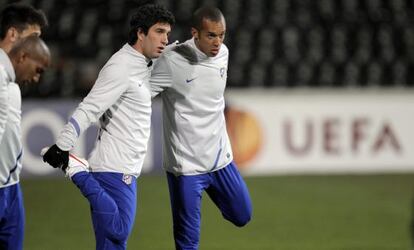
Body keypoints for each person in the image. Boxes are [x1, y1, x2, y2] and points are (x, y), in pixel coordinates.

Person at [41, 4, 175, 250]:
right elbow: (90, 107)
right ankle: (77, 171)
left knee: (112, 243)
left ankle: (77, 170)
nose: (165, 39)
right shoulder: (120, 67)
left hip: (125, 169)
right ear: (140, 33)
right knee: (119, 230)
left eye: (168, 33)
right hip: (112, 168)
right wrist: (63, 145)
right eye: (159, 32)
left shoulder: (144, 64)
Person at [150, 6, 252, 250]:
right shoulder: (172, 60)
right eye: (211, 35)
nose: (218, 42)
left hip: (220, 160)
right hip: (186, 168)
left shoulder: (223, 54)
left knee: (243, 215)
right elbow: (142, 95)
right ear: (195, 33)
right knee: (188, 244)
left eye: (222, 35)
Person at [0, 4, 48, 249]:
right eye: (33, 38)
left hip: (11, 186)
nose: (38, 47)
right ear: (12, 35)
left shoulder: (14, 84)